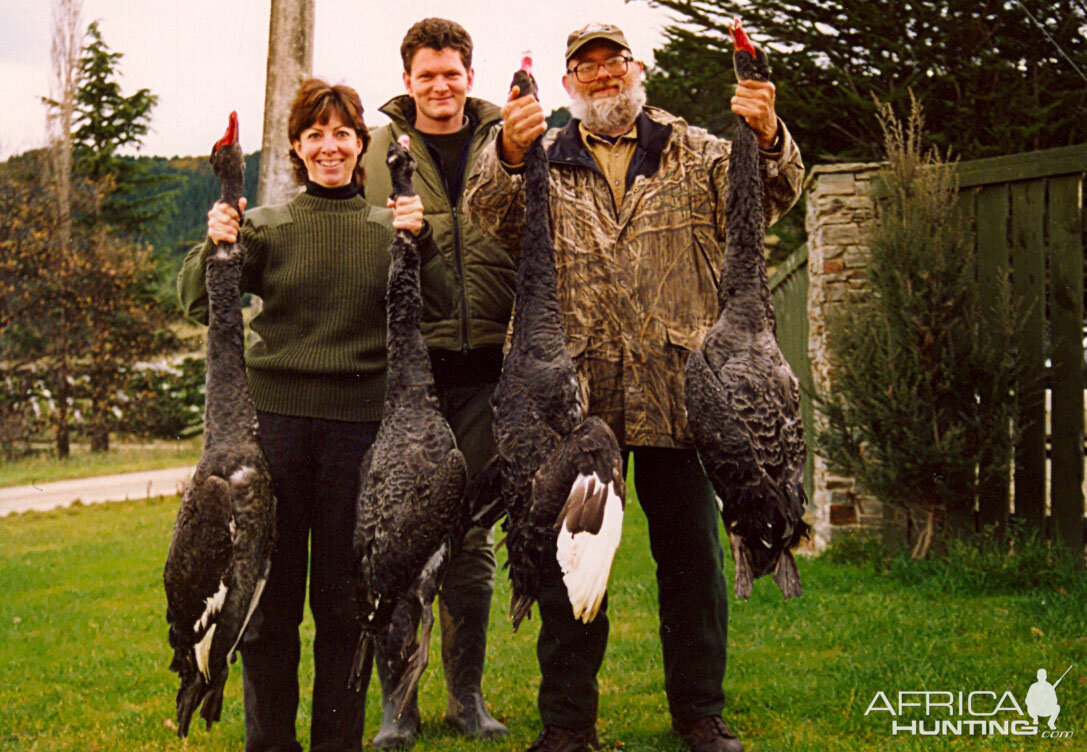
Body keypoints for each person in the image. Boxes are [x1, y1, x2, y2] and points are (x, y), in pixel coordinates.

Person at [464, 23, 804, 752]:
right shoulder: (540, 162)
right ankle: (567, 723)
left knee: (691, 561)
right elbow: (484, 213)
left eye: (611, 62)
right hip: (573, 403)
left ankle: (699, 715)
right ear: (566, 86)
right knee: (568, 564)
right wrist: (505, 149)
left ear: (635, 68)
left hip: (681, 390)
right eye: (583, 68)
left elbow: (773, 191)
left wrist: (768, 131)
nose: (600, 77)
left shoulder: (698, 151)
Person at [178, 78, 439, 752]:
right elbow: (197, 303)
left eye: (343, 134)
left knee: (345, 610)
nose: (330, 146)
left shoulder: (392, 228)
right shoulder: (265, 226)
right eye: (315, 134)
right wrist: (215, 245)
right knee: (267, 609)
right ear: (296, 147)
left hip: (362, 440)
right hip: (275, 439)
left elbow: (436, 306)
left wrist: (424, 243)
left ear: (362, 145)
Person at [359, 17, 514, 750]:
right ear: (408, 80)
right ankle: (398, 705)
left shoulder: (508, 144)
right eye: (427, 75)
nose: (440, 86)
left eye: (451, 73)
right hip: (409, 372)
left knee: (472, 536)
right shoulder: (374, 150)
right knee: (399, 540)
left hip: (490, 365)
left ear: (468, 76)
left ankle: (467, 696)